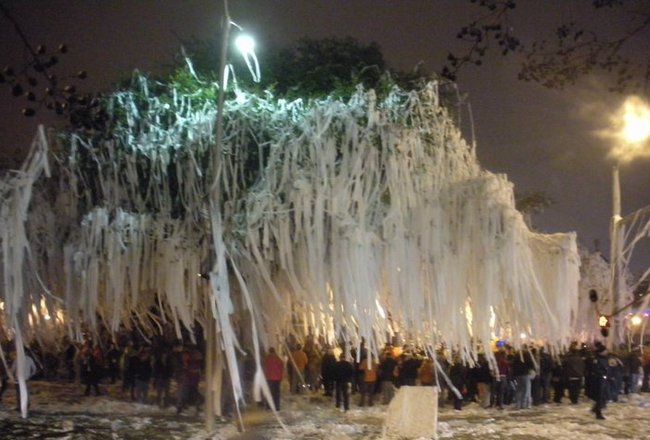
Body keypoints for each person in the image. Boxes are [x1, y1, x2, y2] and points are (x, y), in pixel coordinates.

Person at [176, 345, 202, 415]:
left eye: (186, 355)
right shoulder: (181, 364)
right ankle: (180, 408)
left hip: (192, 382)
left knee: (194, 395)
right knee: (183, 395)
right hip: (185, 382)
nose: (184, 357)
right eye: (183, 356)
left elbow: (196, 371)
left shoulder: (192, 363)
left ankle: (197, 408)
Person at [590, 343, 609, 420]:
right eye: (605, 351)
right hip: (599, 380)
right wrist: (603, 374)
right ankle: (598, 413)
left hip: (604, 379)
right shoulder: (597, 359)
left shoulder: (604, 358)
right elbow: (596, 369)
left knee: (604, 396)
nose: (606, 352)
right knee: (599, 396)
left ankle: (596, 409)